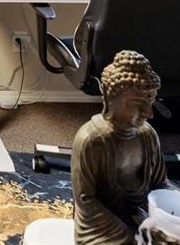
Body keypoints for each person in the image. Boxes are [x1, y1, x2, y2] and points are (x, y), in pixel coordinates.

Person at [71, 50, 167, 245]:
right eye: (138, 104)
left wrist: (165, 220)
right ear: (109, 98)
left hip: (142, 216)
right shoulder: (92, 139)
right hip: (102, 227)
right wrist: (129, 236)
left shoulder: (148, 136)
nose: (149, 113)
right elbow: (85, 200)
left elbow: (160, 185)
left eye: (151, 102)